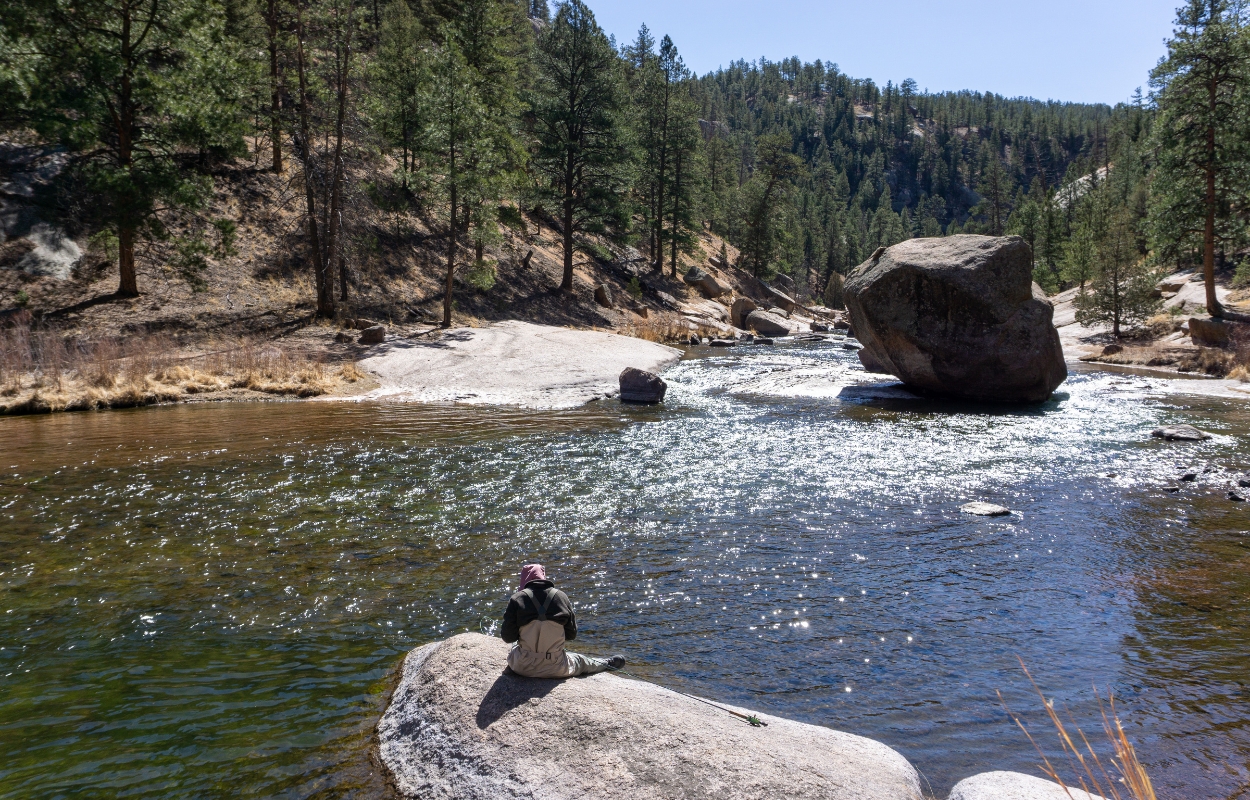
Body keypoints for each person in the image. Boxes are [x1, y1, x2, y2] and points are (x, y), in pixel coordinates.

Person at [501, 563, 625, 678]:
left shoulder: (516, 599)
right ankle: (608, 663)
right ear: (543, 577)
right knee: (581, 661)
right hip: (557, 667)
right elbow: (571, 635)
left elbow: (508, 637)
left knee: (515, 646)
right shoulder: (561, 597)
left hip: (521, 667)